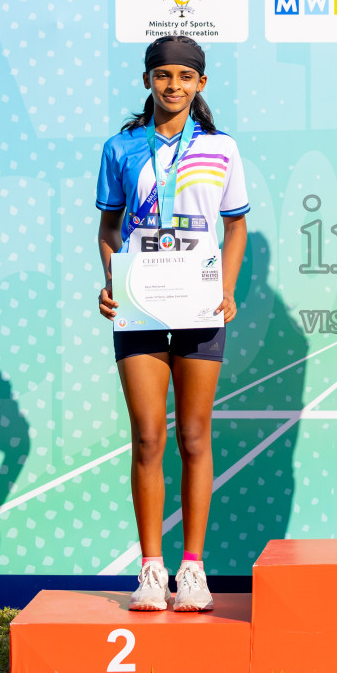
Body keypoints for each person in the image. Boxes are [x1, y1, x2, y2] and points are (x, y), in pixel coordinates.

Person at [96, 35, 249, 611]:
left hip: (199, 305)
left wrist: (226, 288)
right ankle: (151, 570)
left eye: (186, 76)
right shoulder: (121, 147)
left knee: (192, 436)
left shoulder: (222, 149)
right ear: (146, 81)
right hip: (140, 306)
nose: (173, 86)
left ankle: (192, 570)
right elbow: (109, 230)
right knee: (147, 436)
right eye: (163, 76)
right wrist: (113, 283)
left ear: (201, 84)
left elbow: (234, 228)